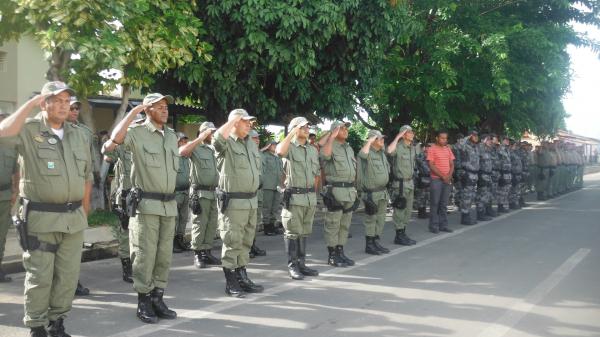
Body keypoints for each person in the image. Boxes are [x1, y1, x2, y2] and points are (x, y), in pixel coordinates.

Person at [0, 81, 93, 337]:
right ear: (45, 103)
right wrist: (31, 103)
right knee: (40, 276)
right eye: (57, 100)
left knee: (67, 277)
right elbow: (3, 133)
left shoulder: (79, 134)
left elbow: (86, 176)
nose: (64, 106)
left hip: (73, 219)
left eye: (67, 101)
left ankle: (57, 322)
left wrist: (84, 212)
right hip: (40, 219)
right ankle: (37, 326)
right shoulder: (29, 130)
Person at [102, 93, 178, 324]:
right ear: (147, 110)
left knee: (164, 256)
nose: (165, 110)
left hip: (168, 205)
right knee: (144, 255)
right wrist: (133, 112)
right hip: (146, 206)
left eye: (166, 107)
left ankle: (158, 297)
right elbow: (110, 146)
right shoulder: (136, 133)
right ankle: (143, 300)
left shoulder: (171, 136)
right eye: (159, 107)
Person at [212, 109, 264, 297]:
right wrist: (232, 120)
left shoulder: (250, 143)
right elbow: (216, 138)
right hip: (234, 201)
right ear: (234, 123)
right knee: (232, 241)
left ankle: (242, 275)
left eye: (250, 122)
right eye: (244, 121)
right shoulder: (225, 144)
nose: (249, 124)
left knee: (246, 241)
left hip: (251, 201)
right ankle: (231, 280)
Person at [276, 117, 321, 279]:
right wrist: (290, 134)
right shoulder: (290, 147)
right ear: (295, 129)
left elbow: (316, 174)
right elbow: (280, 151)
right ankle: (292, 265)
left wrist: (314, 194)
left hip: (309, 197)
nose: (307, 129)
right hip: (294, 196)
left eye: (308, 126)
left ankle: (302, 263)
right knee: (292, 232)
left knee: (304, 232)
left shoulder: (312, 149)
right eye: (303, 127)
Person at [178, 121, 221, 269]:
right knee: (199, 224)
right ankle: (198, 254)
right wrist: (198, 138)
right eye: (210, 132)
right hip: (200, 192)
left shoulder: (215, 149)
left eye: (213, 132)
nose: (213, 134)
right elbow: (182, 152)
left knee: (211, 224)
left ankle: (207, 252)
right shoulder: (196, 148)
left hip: (213, 192)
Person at [320, 121, 358, 267]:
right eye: (341, 128)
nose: (345, 130)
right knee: (333, 224)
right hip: (336, 190)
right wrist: (331, 136)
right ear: (334, 131)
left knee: (345, 225)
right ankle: (332, 255)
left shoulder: (348, 148)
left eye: (346, 128)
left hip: (349, 190)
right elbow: (325, 155)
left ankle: (340, 252)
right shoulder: (330, 145)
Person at [68, 98, 95, 296]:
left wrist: (87, 202)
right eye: (71, 108)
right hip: (58, 196)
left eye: (77, 108)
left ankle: (73, 280)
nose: (74, 111)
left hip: (78, 195)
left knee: (75, 245)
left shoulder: (84, 133)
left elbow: (89, 167)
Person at [358, 129, 391, 255]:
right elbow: (363, 154)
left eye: (382, 138)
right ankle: (369, 245)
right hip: (371, 192)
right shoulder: (366, 152)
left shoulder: (381, 153)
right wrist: (370, 141)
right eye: (379, 138)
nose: (382, 140)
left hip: (382, 191)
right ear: (372, 141)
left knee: (381, 219)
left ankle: (376, 242)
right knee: (371, 219)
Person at [386, 125, 418, 245]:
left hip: (410, 182)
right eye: (409, 132)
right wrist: (398, 137)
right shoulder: (398, 147)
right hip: (400, 184)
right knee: (400, 209)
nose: (412, 134)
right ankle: (399, 236)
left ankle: (403, 233)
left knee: (408, 211)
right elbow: (389, 151)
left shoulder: (412, 148)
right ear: (404, 134)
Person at [0, 109, 17, 283]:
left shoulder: (10, 145)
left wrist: (15, 191)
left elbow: (15, 170)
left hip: (4, 195)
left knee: (2, 234)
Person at [427, 130, 455, 233]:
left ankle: (443, 225)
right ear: (437, 138)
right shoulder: (432, 149)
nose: (444, 140)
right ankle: (433, 226)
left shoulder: (448, 149)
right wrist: (443, 176)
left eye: (446, 138)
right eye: (442, 138)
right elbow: (431, 165)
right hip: (436, 180)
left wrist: (449, 176)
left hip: (447, 179)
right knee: (435, 203)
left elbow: (452, 164)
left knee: (444, 203)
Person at [172, 132, 192, 253]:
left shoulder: (187, 158)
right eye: (182, 141)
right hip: (176, 192)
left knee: (184, 218)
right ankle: (173, 242)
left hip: (186, 192)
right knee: (175, 218)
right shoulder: (173, 156)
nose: (184, 143)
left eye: (185, 141)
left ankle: (180, 239)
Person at [261, 140, 284, 236]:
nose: (275, 146)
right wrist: (263, 150)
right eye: (272, 144)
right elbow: (258, 157)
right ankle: (267, 227)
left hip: (277, 186)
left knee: (275, 207)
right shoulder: (264, 156)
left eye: (275, 144)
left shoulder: (277, 157)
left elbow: (281, 171)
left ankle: (272, 226)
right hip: (268, 186)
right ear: (268, 146)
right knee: (267, 207)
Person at [458, 130, 480, 225]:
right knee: (466, 196)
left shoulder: (475, 147)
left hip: (474, 174)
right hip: (467, 173)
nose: (476, 137)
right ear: (470, 136)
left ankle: (467, 215)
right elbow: (459, 145)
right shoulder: (465, 146)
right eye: (474, 135)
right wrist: (467, 137)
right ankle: (464, 217)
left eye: (477, 135)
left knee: (471, 196)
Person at [475, 134, 495, 221]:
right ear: (483, 140)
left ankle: (485, 212)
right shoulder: (479, 148)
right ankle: (480, 214)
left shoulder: (488, 150)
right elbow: (476, 162)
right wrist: (479, 175)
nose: (490, 141)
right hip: (482, 174)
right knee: (481, 195)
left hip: (488, 175)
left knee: (487, 194)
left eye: (491, 140)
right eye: (488, 140)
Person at [414, 143, 431, 219]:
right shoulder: (420, 156)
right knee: (421, 196)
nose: (428, 149)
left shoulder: (429, 156)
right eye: (427, 147)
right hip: (422, 178)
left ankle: (423, 211)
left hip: (428, 178)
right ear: (423, 148)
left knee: (426, 196)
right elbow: (422, 167)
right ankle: (421, 213)